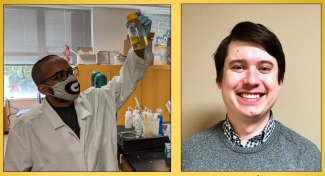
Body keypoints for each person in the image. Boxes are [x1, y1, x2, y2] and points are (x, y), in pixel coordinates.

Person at [4, 11, 153, 171]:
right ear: (43, 89)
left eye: (70, 72)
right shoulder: (25, 126)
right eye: (60, 76)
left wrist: (139, 40)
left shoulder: (98, 99)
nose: (70, 78)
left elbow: (131, 73)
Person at [181, 21, 321, 171]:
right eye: (238, 67)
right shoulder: (186, 156)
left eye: (264, 68)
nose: (252, 80)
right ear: (220, 80)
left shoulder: (307, 157)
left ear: (279, 81)